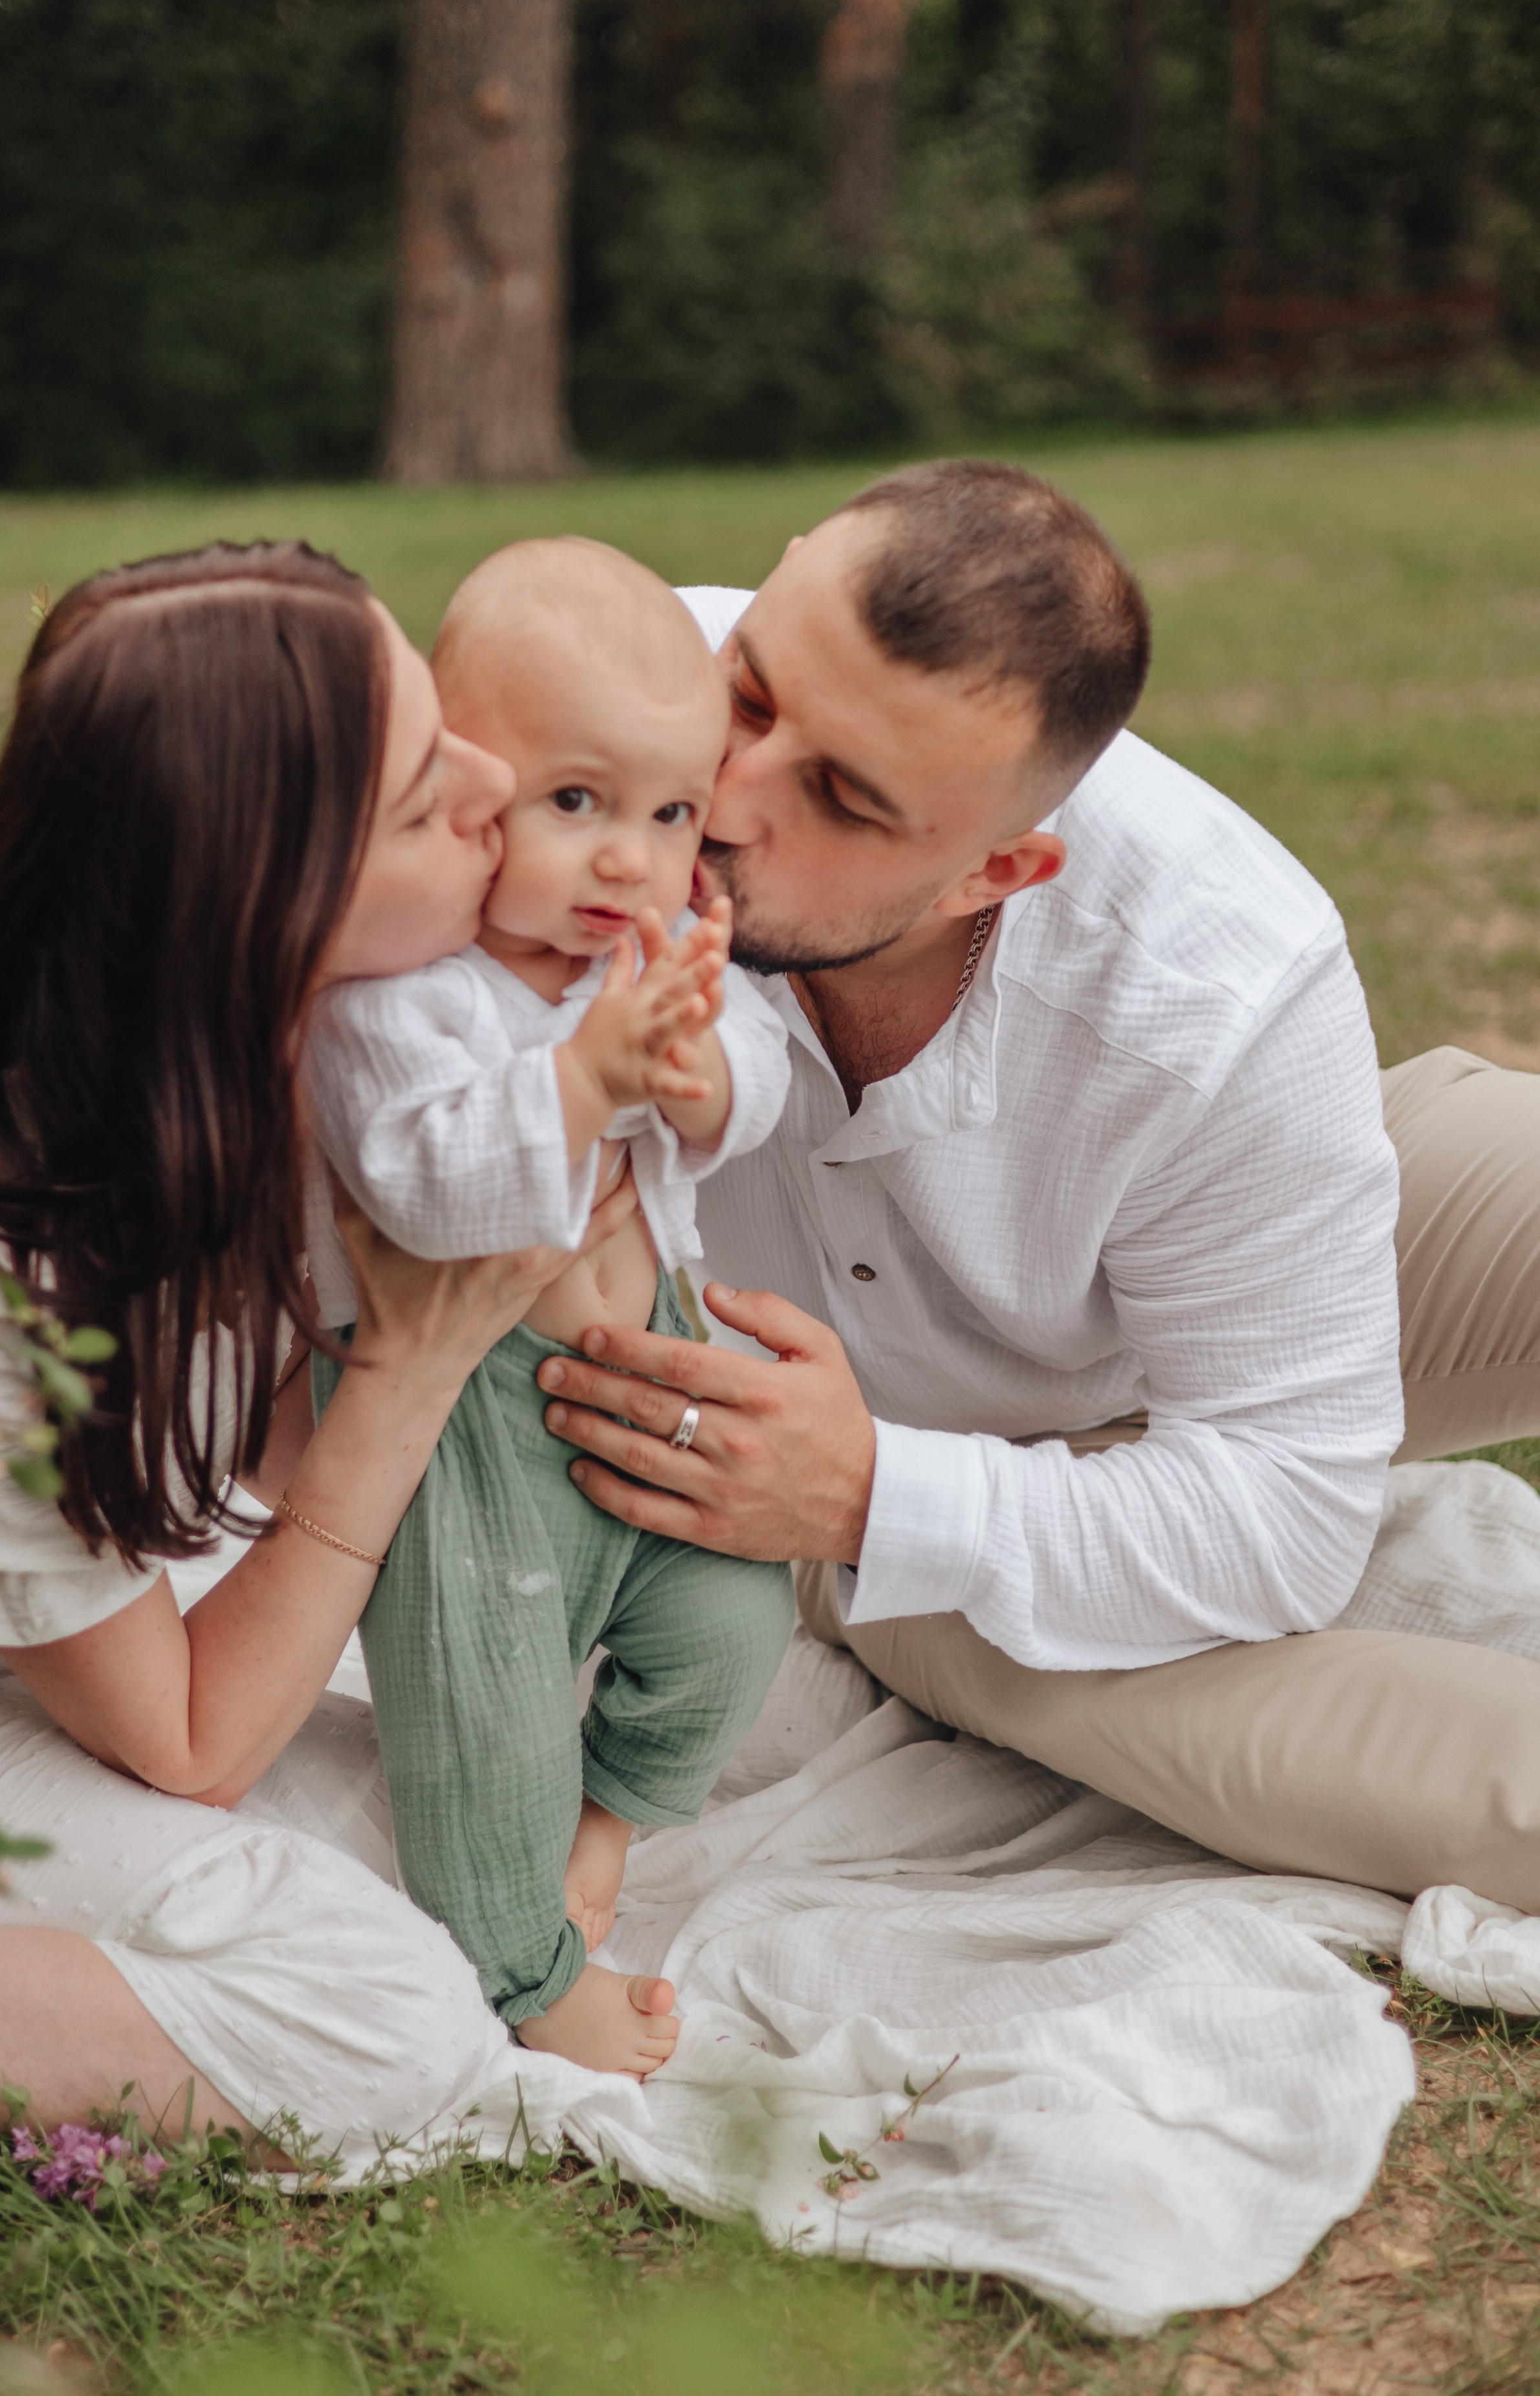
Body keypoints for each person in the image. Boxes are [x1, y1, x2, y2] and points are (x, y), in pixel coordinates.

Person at [530, 458, 1540, 1912]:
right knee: (1376, 1770)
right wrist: (872, 1492)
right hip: (798, 1475)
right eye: (751, 696)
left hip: (1144, 1312)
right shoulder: (599, 698)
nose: (725, 798)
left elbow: (1282, 1517)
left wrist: (877, 1483)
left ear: (992, 870)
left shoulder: (1215, 970)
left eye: (842, 799)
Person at [0, 539, 680, 2154]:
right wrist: (407, 1371)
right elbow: (190, 1744)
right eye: (414, 799)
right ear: (263, 901)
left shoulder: (321, 1055)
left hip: (72, 1639)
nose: (487, 780)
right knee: (381, 2017)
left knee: (462, 1818)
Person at [303, 539, 794, 2074]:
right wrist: (585, 1078)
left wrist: (710, 1075)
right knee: (482, 1721)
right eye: (572, 803)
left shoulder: (645, 957)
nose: (626, 861)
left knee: (736, 1617)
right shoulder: (396, 993)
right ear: (461, 793)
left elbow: (759, 1070)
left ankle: (615, 1817)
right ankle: (521, 1966)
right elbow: (422, 1188)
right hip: (469, 1432)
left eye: (671, 814)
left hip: (661, 1369)